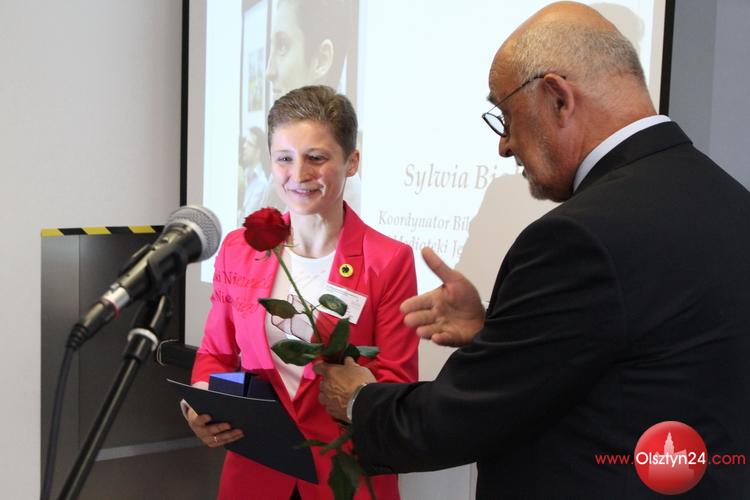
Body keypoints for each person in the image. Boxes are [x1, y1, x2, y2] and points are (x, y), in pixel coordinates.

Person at [314, 2, 750, 499]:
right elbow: (639, 352)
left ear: (558, 98)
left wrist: (358, 399)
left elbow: (460, 419)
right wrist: (496, 330)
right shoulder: (730, 199)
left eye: (505, 116)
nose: (504, 146)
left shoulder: (578, 237)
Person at [185, 85, 418, 500]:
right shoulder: (240, 249)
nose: (299, 174)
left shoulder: (388, 260)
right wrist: (201, 404)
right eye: (284, 158)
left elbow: (397, 383)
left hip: (345, 477)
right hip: (256, 471)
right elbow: (215, 355)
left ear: (352, 162)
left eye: (316, 157)